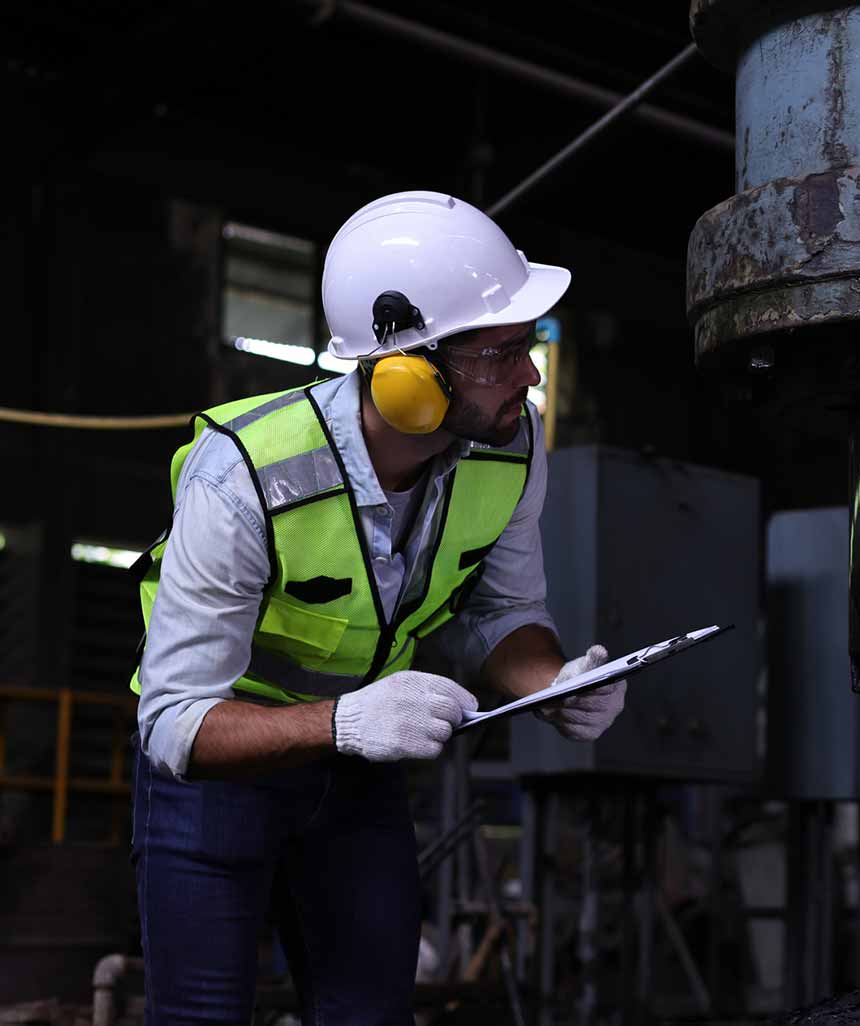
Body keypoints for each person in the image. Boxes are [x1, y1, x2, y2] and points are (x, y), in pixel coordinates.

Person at [129, 191, 624, 1024]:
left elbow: (503, 612)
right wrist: (343, 722)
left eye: (528, 346)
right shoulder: (244, 473)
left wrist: (552, 682)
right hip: (218, 768)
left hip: (357, 774)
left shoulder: (510, 449)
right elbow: (175, 722)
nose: (532, 376)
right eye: (503, 354)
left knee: (370, 1012)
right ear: (407, 375)